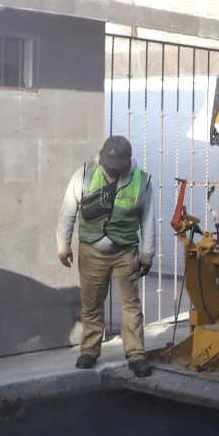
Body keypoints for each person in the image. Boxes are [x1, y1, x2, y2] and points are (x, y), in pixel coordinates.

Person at [57, 136, 156, 376]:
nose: (109, 169)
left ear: (126, 162)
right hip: (92, 251)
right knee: (91, 304)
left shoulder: (141, 181)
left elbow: (148, 219)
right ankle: (89, 350)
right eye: (107, 164)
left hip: (126, 251)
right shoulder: (84, 175)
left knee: (131, 305)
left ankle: (136, 354)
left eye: (115, 166)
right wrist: (63, 245)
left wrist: (147, 254)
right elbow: (68, 211)